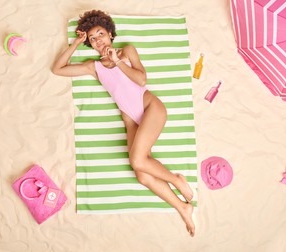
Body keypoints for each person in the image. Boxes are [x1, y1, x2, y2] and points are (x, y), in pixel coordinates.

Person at [52, 10, 195, 237]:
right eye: (92, 38)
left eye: (100, 33)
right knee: (141, 174)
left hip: (151, 108)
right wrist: (76, 43)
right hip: (131, 122)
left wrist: (118, 61)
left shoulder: (126, 51)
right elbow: (57, 69)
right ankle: (183, 207)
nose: (98, 40)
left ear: (110, 33)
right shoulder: (94, 67)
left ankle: (176, 179)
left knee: (137, 160)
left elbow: (141, 79)